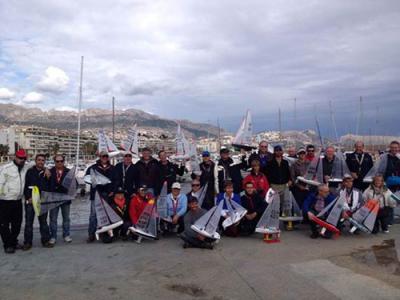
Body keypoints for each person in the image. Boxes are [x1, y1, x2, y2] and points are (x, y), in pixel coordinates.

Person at [0, 149, 33, 254]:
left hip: (18, 201)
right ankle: (8, 245)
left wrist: (45, 169)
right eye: (19, 158)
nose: (22, 160)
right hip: (5, 201)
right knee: (4, 225)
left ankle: (13, 242)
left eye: (24, 158)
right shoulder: (5, 168)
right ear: (15, 157)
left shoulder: (25, 167)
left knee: (17, 225)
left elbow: (35, 164)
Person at [23, 154, 52, 250]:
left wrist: (48, 175)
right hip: (30, 201)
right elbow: (26, 185)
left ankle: (45, 241)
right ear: (35, 161)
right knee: (28, 223)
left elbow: (49, 187)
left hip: (42, 201)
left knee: (43, 222)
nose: (41, 162)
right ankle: (27, 242)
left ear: (44, 162)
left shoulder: (47, 172)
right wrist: (28, 197)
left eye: (43, 160)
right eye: (39, 160)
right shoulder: (30, 171)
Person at [85, 151, 114, 243]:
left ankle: (106, 233)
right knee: (93, 215)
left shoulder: (113, 168)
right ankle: (91, 234)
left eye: (106, 156)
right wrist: (92, 181)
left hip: (109, 195)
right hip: (96, 194)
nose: (104, 158)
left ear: (108, 157)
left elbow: (116, 180)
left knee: (108, 215)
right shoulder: (92, 168)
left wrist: (113, 191)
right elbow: (86, 178)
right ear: (100, 157)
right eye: (103, 156)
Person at [48, 155, 72, 245]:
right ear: (54, 162)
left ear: (64, 161)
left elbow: (73, 185)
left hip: (65, 199)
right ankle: (53, 236)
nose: (59, 163)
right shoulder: (49, 171)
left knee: (66, 218)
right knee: (53, 219)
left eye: (61, 161)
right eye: (57, 161)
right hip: (53, 199)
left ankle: (66, 235)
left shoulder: (69, 172)